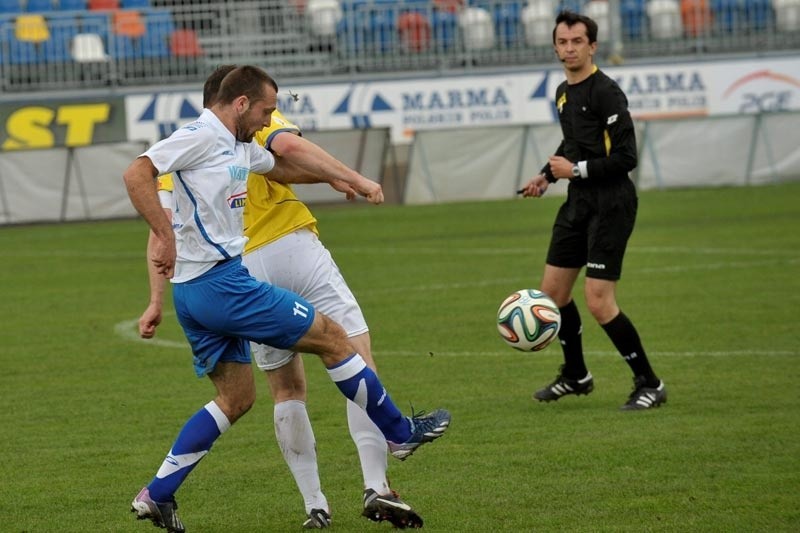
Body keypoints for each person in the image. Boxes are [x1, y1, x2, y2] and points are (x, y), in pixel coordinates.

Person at [124, 65, 451, 533]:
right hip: (223, 286)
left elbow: (280, 166)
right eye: (266, 110)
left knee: (235, 399)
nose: (268, 120)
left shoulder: (238, 144)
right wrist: (164, 234)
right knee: (336, 339)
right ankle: (399, 435)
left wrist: (341, 181)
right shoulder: (199, 135)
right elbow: (137, 172)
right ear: (240, 103)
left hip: (194, 295)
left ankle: (156, 495)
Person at [519, 11, 667, 411]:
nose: (569, 49)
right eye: (563, 43)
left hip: (612, 202)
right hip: (579, 202)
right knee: (552, 294)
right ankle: (576, 375)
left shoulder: (607, 92)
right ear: (555, 47)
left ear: (592, 46)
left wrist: (575, 171)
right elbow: (573, 145)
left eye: (577, 42)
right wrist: (546, 176)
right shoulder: (563, 93)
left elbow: (626, 157)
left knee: (599, 301)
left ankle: (650, 383)